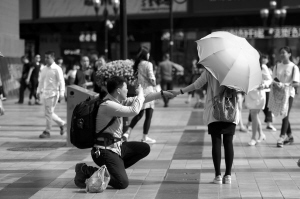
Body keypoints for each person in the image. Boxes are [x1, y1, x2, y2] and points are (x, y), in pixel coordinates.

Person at [74, 76, 174, 189]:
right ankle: (86, 169)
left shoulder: (117, 101)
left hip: (116, 147)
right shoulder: (108, 105)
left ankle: (115, 169)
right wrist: (141, 92)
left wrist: (162, 93)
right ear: (118, 90)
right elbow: (134, 110)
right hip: (104, 151)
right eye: (125, 88)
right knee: (122, 183)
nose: (127, 90)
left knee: (144, 148)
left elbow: (142, 99)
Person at [169, 68, 238, 185]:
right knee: (228, 142)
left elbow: (196, 84)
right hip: (230, 110)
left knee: (216, 141)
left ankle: (218, 176)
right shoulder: (234, 70)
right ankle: (228, 175)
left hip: (214, 109)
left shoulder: (211, 69)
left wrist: (180, 91)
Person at [124, 46, 157, 143]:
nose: (149, 54)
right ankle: (144, 137)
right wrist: (155, 83)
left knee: (139, 113)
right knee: (149, 114)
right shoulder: (148, 64)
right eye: (148, 53)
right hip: (149, 91)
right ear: (145, 54)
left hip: (140, 91)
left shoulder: (136, 64)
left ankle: (127, 132)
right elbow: (151, 78)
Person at [274, 46, 300, 147]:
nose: (282, 54)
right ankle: (290, 136)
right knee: (284, 114)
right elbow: (274, 79)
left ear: (289, 54)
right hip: (279, 93)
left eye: (284, 52)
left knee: (285, 114)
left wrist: (287, 85)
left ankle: (282, 136)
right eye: (280, 53)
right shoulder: (277, 66)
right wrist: (277, 84)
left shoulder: (294, 67)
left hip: (289, 94)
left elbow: (297, 83)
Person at [37, 51, 66, 138]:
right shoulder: (44, 68)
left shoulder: (57, 68)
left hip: (53, 93)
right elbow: (41, 81)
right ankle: (62, 123)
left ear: (53, 58)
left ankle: (47, 131)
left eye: (48, 58)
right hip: (45, 93)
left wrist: (62, 92)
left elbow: (61, 81)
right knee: (48, 113)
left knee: (48, 113)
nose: (46, 59)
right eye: (45, 57)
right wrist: (38, 91)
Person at [246, 54, 272, 146]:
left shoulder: (263, 67)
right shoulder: (246, 67)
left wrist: (263, 85)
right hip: (250, 94)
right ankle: (261, 134)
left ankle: (253, 138)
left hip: (259, 95)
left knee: (254, 115)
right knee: (254, 116)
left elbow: (269, 80)